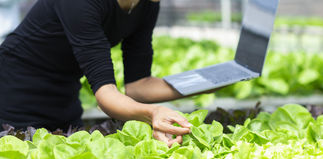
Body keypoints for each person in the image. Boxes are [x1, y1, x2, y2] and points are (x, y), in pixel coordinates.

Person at [0, 0, 192, 147]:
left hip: (66, 99)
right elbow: (106, 93)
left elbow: (139, 86)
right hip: (14, 96)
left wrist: (206, 83)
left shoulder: (147, 4)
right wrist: (153, 113)